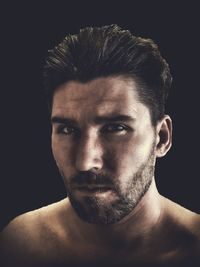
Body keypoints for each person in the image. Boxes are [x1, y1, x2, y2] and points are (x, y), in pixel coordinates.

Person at [0, 24, 200, 267]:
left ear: (162, 138)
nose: (85, 161)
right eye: (67, 129)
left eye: (115, 128)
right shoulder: (21, 245)